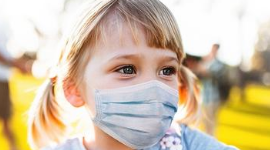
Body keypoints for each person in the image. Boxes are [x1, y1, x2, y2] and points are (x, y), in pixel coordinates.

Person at [27, 0, 238, 150]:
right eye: (127, 69)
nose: (153, 87)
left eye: (167, 70)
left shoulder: (187, 145)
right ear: (73, 89)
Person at [0, 18, 28, 150]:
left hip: (4, 79)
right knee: (6, 120)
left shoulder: (4, 22)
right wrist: (16, 65)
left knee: (6, 120)